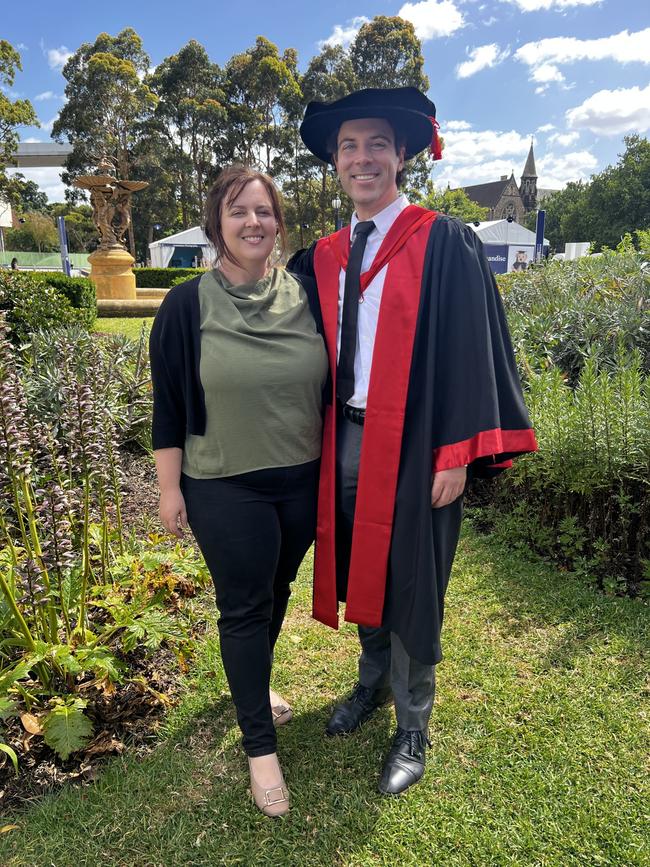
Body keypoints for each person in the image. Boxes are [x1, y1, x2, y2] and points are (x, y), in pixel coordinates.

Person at [288, 87, 538, 796]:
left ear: (403, 154)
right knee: (354, 561)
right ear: (335, 162)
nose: (361, 158)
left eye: (375, 144)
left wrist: (458, 450)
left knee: (415, 580)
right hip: (343, 439)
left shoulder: (445, 242)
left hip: (417, 442)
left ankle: (413, 721)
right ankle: (371, 682)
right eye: (347, 147)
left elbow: (473, 351)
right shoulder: (325, 256)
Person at [149, 165, 328, 817]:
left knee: (275, 592)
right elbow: (168, 406)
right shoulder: (185, 305)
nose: (254, 222)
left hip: (301, 481)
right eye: (238, 211)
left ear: (278, 222)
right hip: (224, 483)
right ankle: (260, 750)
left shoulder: (308, 293)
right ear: (215, 224)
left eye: (264, 210)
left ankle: (252, 685)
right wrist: (171, 488)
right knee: (245, 605)